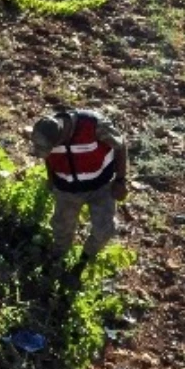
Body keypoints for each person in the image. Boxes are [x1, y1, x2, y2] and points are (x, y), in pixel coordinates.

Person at [30, 108, 129, 263]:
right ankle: (58, 257)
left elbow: (120, 145)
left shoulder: (93, 124)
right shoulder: (47, 132)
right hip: (66, 190)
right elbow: (48, 158)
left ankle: (84, 260)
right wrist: (51, 179)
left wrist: (121, 180)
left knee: (104, 230)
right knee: (61, 228)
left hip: (101, 187)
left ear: (61, 136)